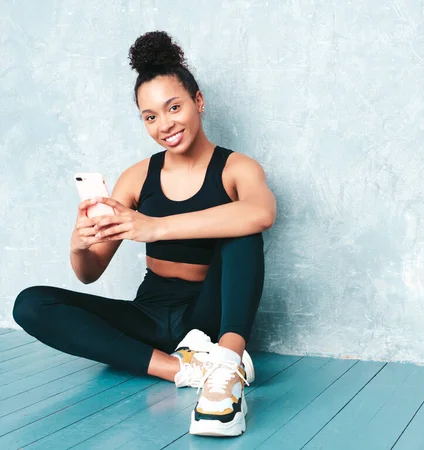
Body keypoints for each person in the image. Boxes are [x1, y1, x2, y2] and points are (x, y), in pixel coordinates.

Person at [12, 30, 276, 438]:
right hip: (151, 312)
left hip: (208, 317)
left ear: (198, 102)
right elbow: (89, 272)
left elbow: (261, 213)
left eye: (174, 107)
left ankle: (225, 363)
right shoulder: (137, 177)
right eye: (150, 117)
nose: (165, 124)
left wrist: (154, 227)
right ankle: (183, 369)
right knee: (30, 304)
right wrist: (79, 242)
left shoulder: (238, 168)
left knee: (244, 229)